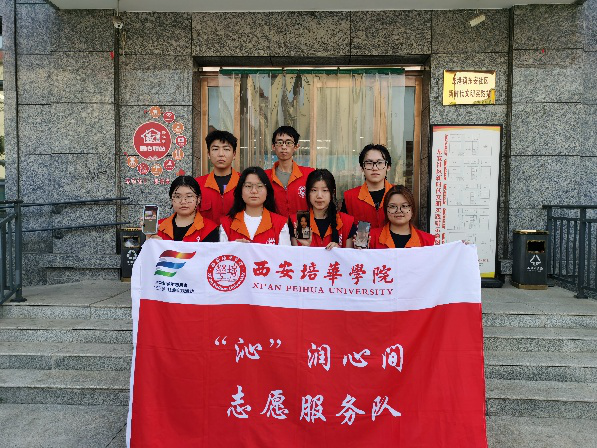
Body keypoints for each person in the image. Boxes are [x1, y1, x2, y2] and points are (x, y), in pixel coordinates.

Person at [220, 167, 291, 245]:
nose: (254, 191)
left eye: (259, 186)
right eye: (248, 186)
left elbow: (285, 253)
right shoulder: (226, 224)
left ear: (267, 191)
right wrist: (234, 247)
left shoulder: (280, 224)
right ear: (240, 191)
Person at [290, 169, 356, 250]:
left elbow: (349, 256)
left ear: (332, 193)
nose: (319, 196)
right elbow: (293, 256)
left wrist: (338, 251)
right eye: (314, 190)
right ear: (308, 193)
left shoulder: (347, 222)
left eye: (325, 190)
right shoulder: (297, 221)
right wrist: (306, 247)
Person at [150, 176, 219, 242]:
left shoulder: (209, 228)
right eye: (177, 197)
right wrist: (149, 240)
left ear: (198, 199)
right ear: (171, 199)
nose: (183, 201)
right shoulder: (158, 227)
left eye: (189, 196)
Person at [265, 126, 314, 217]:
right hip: (275, 225)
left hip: (303, 225)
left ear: (296, 147)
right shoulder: (265, 177)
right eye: (279, 142)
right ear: (273, 147)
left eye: (288, 143)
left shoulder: (309, 174)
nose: (284, 147)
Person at [342, 144, 393, 228]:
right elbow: (344, 230)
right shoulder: (349, 197)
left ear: (388, 167)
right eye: (369, 163)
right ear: (362, 168)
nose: (375, 168)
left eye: (380, 163)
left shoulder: (399, 194)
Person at [369, 185, 435, 248]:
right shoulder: (370, 238)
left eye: (404, 206)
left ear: (412, 210)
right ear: (386, 210)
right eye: (393, 206)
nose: (398, 211)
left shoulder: (429, 241)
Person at [195, 130, 239, 224]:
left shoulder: (245, 182)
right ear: (208, 154)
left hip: (237, 233)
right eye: (215, 149)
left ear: (234, 154)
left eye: (226, 149)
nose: (221, 154)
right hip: (207, 233)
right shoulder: (197, 184)